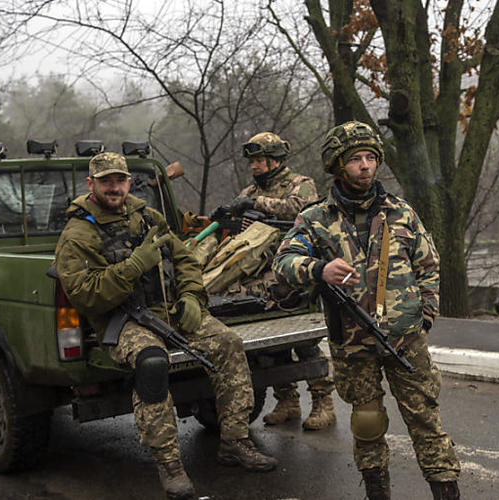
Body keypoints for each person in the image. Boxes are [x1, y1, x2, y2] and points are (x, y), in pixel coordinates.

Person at [54, 152, 277, 500]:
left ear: (129, 182)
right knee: (152, 363)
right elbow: (85, 294)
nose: (114, 187)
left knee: (228, 344)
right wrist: (132, 266)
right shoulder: (78, 233)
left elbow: (185, 258)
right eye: (106, 181)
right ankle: (170, 465)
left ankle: (234, 441)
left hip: (170, 311)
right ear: (91, 184)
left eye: (119, 180)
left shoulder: (147, 217)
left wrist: (191, 297)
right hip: (123, 320)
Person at [273, 122, 461, 500]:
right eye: (356, 159)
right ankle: (377, 492)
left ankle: (447, 492)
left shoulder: (400, 212)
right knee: (367, 423)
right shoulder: (316, 219)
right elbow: (283, 263)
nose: (365, 166)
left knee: (426, 421)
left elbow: (429, 265)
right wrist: (319, 269)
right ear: (338, 165)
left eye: (371, 158)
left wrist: (425, 316)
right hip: (353, 343)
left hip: (405, 339)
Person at [231, 132, 337, 430]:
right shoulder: (249, 191)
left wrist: (255, 204)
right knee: (269, 343)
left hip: (293, 275)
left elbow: (297, 209)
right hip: (258, 279)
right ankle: (287, 400)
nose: (254, 166)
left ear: (275, 160)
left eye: (259, 160)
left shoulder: (300, 184)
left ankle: (323, 402)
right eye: (252, 161)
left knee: (302, 340)